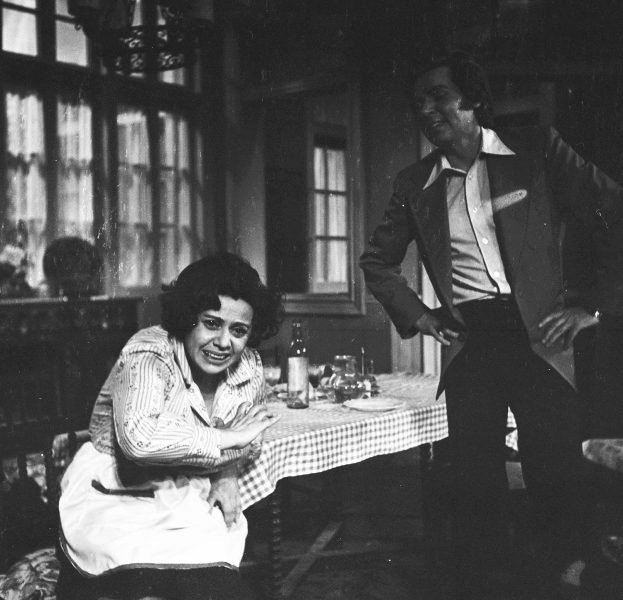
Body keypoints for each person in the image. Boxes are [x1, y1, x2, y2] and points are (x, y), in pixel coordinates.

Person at [360, 51, 623, 598]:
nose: (426, 110)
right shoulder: (414, 182)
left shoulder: (537, 150)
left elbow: (614, 212)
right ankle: (484, 583)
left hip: (542, 334)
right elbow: (377, 262)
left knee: (553, 466)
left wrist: (594, 308)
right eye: (418, 103)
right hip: (470, 339)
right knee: (473, 474)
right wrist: (420, 315)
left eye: (439, 96)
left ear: (474, 99)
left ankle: (566, 574)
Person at [56, 252, 283, 600]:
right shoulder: (149, 351)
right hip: (116, 490)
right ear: (187, 318)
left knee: (218, 587)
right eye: (211, 323)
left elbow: (249, 440)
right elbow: (140, 442)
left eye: (238, 330)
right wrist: (228, 437)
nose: (224, 342)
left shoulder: (248, 364)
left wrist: (227, 474)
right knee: (139, 585)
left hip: (188, 491)